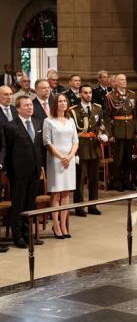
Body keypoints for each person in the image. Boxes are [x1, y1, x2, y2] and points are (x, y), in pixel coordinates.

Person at [4, 96, 45, 248]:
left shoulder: (37, 122)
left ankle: (28, 235)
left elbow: (39, 147)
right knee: (18, 205)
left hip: (34, 170)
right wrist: (10, 170)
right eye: (26, 105)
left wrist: (41, 166)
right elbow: (7, 150)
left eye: (30, 105)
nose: (30, 107)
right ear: (18, 108)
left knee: (30, 204)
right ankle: (18, 236)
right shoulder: (10, 126)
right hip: (18, 172)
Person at [44, 93, 79, 239]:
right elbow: (47, 142)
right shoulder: (48, 121)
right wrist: (61, 157)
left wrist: (70, 157)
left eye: (65, 101)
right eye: (60, 101)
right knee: (56, 192)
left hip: (69, 161)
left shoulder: (70, 120)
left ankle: (64, 224)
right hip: (55, 160)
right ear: (55, 104)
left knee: (66, 193)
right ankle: (56, 225)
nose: (63, 103)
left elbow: (75, 141)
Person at [69, 85, 105, 217]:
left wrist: (103, 133)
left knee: (94, 178)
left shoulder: (97, 108)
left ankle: (93, 205)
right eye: (85, 93)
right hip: (81, 147)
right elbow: (72, 132)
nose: (88, 95)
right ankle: (79, 207)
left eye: (90, 93)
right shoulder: (73, 111)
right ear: (80, 94)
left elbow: (101, 124)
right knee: (80, 179)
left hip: (94, 147)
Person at [103, 74, 137, 191]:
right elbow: (107, 117)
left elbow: (135, 114)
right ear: (115, 83)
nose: (124, 81)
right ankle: (117, 181)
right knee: (118, 158)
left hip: (129, 129)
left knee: (128, 158)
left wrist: (135, 130)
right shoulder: (110, 96)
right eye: (121, 80)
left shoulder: (131, 94)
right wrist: (110, 134)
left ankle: (127, 180)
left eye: (125, 79)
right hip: (118, 130)